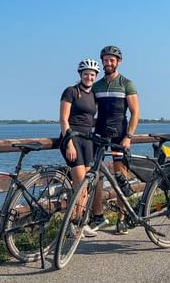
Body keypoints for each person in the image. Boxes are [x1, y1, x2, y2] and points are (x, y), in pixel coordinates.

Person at [89, 45, 140, 235]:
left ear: (118, 62)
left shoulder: (127, 84)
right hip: (100, 133)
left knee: (120, 177)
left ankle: (122, 217)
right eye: (105, 60)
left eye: (112, 60)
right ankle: (98, 216)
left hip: (120, 134)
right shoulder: (97, 85)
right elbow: (90, 110)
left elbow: (135, 113)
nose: (108, 63)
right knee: (95, 176)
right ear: (102, 61)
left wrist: (129, 136)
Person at [59, 58, 101, 238]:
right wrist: (68, 142)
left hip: (87, 140)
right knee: (79, 185)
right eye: (86, 74)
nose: (89, 77)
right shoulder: (71, 91)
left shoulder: (93, 96)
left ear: (95, 76)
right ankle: (71, 224)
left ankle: (80, 222)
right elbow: (63, 118)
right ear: (80, 75)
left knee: (86, 186)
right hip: (72, 138)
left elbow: (92, 119)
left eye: (92, 75)